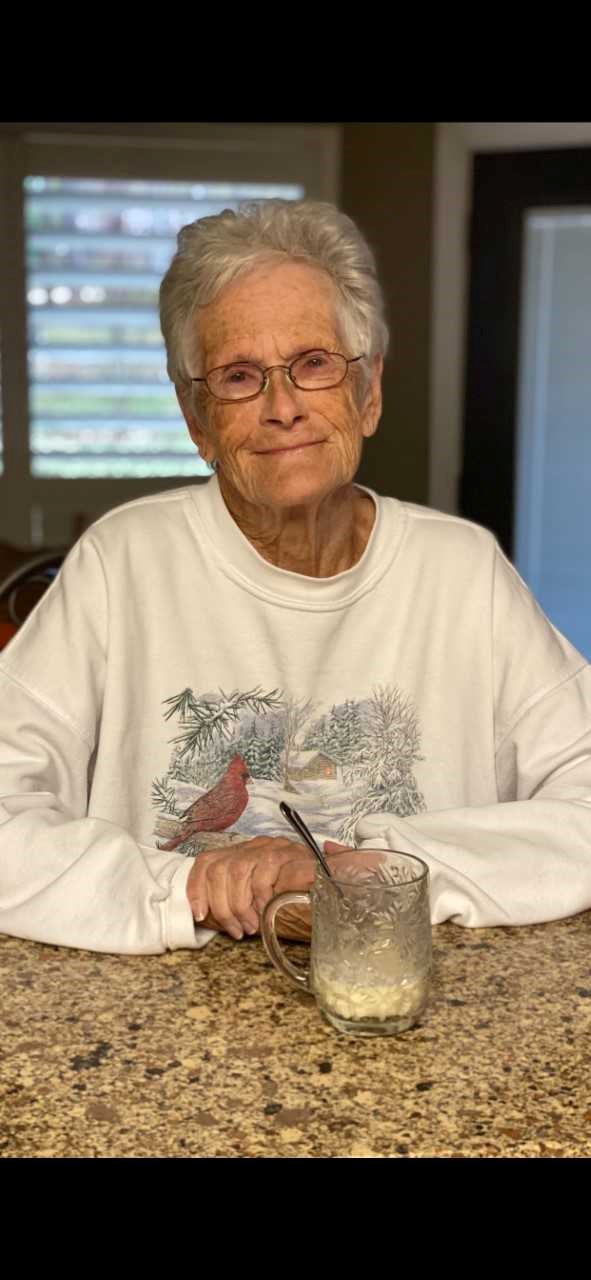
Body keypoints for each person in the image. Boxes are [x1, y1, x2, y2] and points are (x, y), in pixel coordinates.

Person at [1, 198, 591, 955]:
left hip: (404, 987)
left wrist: (380, 870)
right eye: (239, 376)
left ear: (368, 392)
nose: (282, 408)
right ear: (197, 420)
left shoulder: (463, 572)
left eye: (313, 364)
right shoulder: (122, 565)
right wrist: (184, 887)